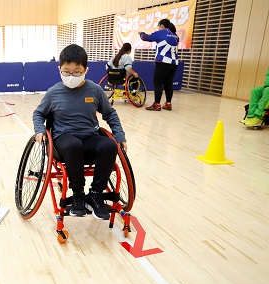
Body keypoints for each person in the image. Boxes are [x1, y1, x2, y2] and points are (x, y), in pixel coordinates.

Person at [32, 44, 127, 220]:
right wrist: (39, 130)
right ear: (59, 69)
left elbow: (110, 113)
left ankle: (96, 193)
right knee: (74, 145)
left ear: (86, 70)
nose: (71, 75)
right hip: (64, 140)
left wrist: (119, 136)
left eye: (77, 71)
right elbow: (39, 113)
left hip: (90, 137)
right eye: (66, 71)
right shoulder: (54, 93)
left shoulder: (95, 90)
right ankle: (78, 194)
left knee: (108, 145)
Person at [139, 19, 179, 111]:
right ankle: (168, 104)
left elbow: (145, 37)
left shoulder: (161, 33)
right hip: (174, 63)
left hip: (163, 62)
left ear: (161, 25)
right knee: (168, 83)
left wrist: (141, 33)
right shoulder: (175, 35)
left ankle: (157, 104)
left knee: (157, 83)